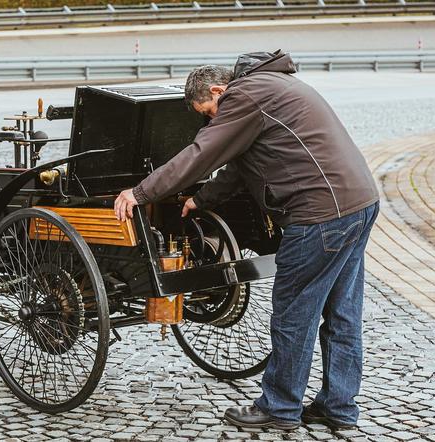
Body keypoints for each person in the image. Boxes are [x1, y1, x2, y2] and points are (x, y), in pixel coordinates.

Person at [114, 49, 379, 431]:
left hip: (320, 215)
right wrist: (199, 200)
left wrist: (139, 193)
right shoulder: (273, 85)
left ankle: (280, 408)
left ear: (219, 91)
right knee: (342, 312)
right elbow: (240, 168)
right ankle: (339, 407)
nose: (211, 122)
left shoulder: (243, 96)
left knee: (293, 315)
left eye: (208, 114)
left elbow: (202, 154)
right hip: (358, 202)